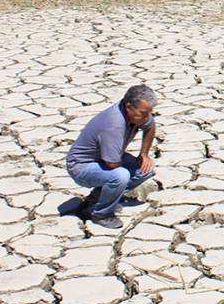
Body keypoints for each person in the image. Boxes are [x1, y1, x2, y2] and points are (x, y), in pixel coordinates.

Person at [66, 84, 158, 229]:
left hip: (105, 159)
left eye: (149, 113)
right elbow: (111, 164)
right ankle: (102, 214)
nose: (147, 117)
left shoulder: (139, 115)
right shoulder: (114, 124)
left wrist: (144, 154)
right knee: (120, 176)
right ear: (128, 107)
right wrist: (126, 173)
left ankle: (98, 197)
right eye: (144, 113)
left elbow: (150, 126)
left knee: (145, 169)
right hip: (82, 166)